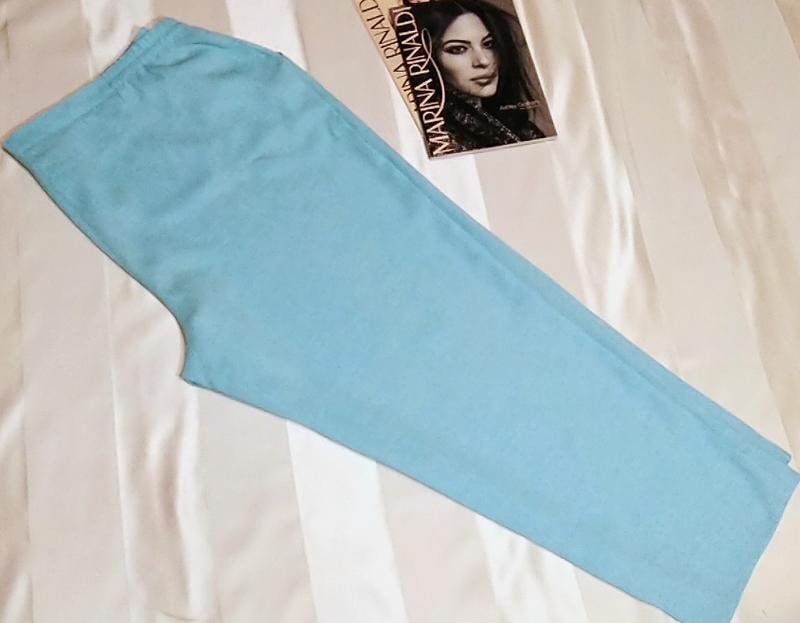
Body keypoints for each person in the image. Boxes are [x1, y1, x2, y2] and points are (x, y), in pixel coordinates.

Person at [410, 0, 553, 151]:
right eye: (458, 49)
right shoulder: (441, 138)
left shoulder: (520, 128)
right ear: (425, 57)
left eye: (488, 44)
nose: (483, 60)